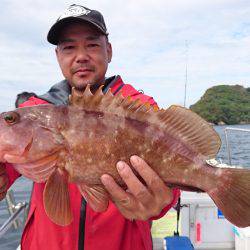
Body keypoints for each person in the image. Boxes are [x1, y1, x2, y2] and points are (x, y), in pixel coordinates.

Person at [0, 4, 180, 250]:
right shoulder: (35, 111)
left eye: (92, 45)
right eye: (69, 47)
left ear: (109, 50)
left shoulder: (140, 109)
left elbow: (173, 176)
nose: (81, 55)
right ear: (58, 56)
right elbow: (8, 165)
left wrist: (162, 202)